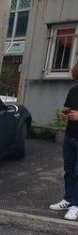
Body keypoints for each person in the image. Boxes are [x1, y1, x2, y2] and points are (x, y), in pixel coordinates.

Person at [50, 63, 78, 220]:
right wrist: (64, 113)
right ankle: (68, 199)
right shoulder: (73, 90)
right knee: (69, 170)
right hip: (70, 136)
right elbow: (67, 107)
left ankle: (76, 205)